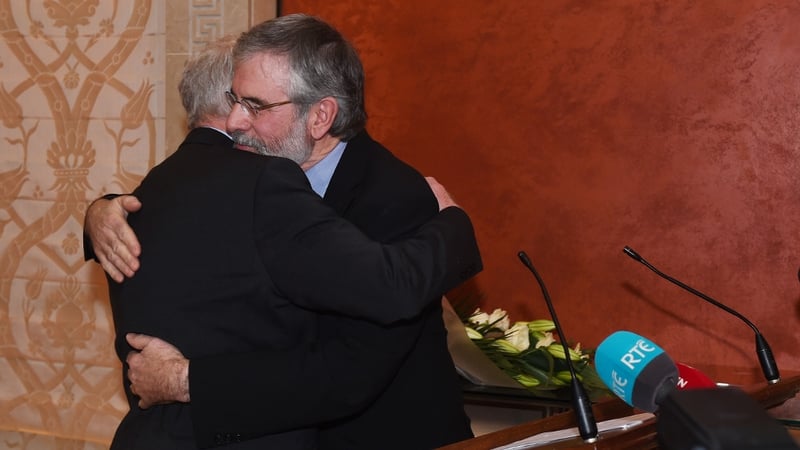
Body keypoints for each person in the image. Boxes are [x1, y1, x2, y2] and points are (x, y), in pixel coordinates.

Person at [91, 35, 482, 449]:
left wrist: (185, 379)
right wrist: (101, 209)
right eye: (235, 100)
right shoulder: (250, 180)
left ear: (320, 117)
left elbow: (350, 371)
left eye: (255, 106)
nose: (235, 122)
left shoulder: (394, 195)